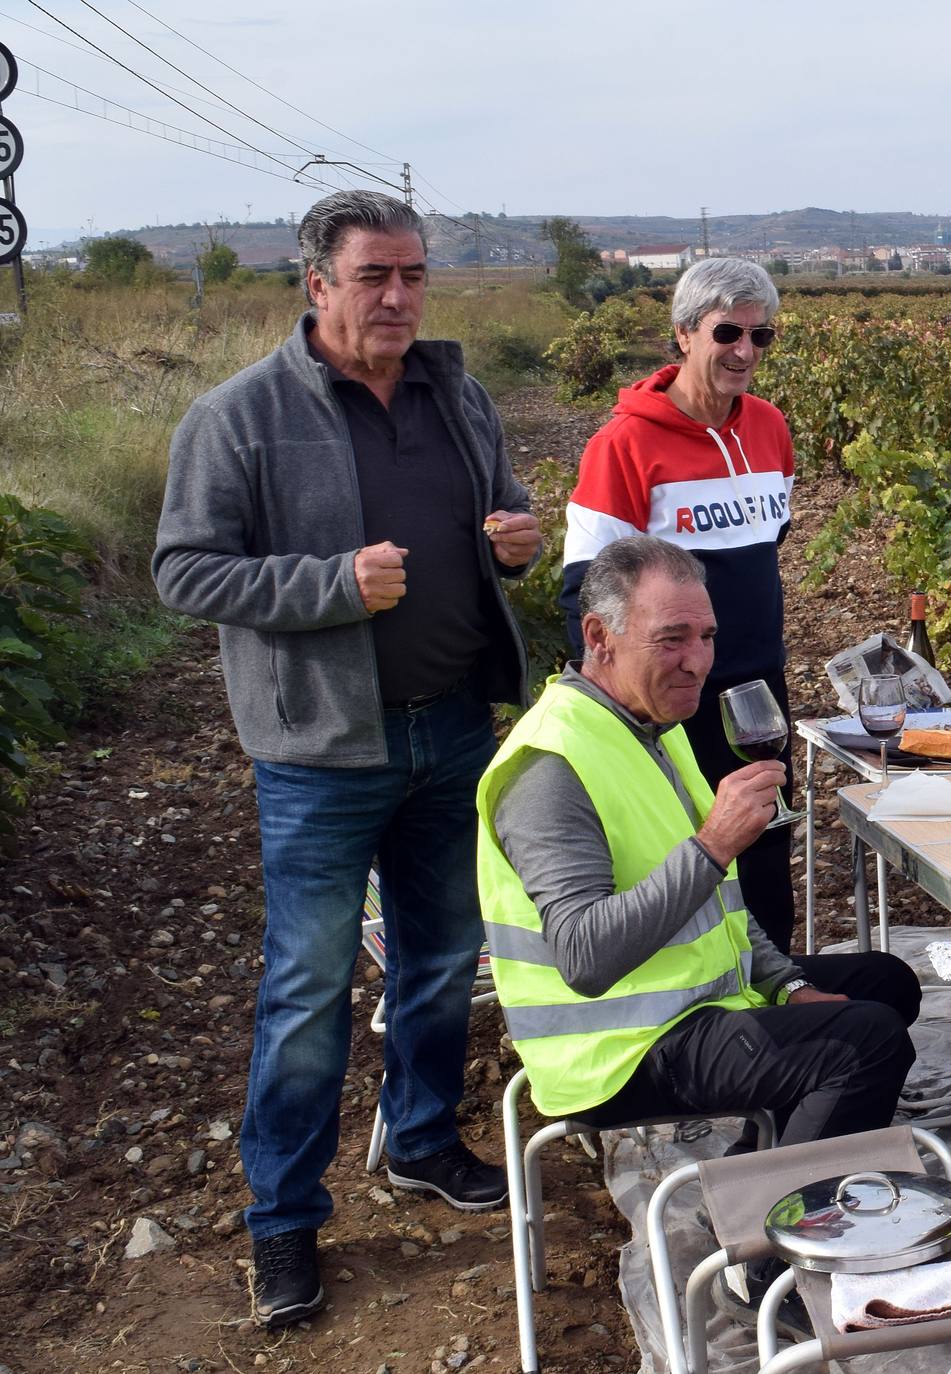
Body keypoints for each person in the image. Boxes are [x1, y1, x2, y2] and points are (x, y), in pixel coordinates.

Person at [153, 189, 541, 1328]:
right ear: (315, 284)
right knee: (309, 987)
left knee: (440, 957)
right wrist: (329, 585)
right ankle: (282, 1220)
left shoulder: (455, 393)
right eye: (374, 275)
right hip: (323, 752)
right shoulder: (239, 416)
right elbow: (185, 572)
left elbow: (499, 513)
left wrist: (514, 540)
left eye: (413, 274)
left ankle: (421, 1141)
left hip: (454, 726)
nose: (398, 296)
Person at [480, 534, 920, 1159]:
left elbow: (724, 913)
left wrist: (790, 988)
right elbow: (583, 957)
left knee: (886, 982)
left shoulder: (651, 724)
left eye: (706, 636)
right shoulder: (550, 767)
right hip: (616, 1051)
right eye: (671, 639)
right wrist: (713, 845)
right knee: (866, 1041)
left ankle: (755, 1168)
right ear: (599, 637)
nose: (698, 661)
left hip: (694, 1004)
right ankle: (775, 1251)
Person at [559, 257, 798, 952]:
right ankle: (703, 1026)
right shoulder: (624, 446)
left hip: (759, 687)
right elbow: (586, 590)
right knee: (689, 857)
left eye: (762, 336)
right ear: (685, 334)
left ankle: (780, 1012)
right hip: (673, 698)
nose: (746, 352)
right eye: (728, 332)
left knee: (766, 853)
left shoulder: (769, 428)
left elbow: (766, 542)